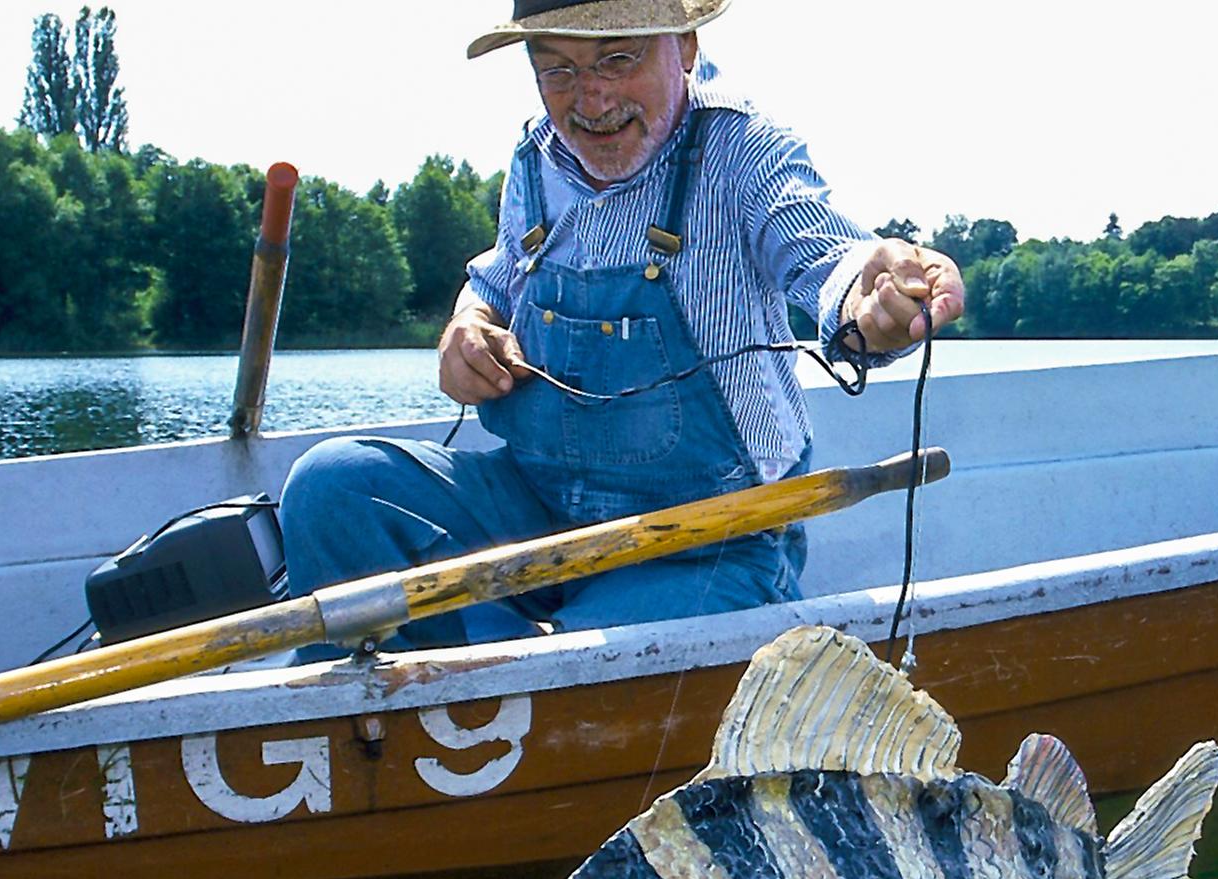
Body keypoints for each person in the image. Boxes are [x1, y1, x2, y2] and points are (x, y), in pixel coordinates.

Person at [279, 0, 963, 653]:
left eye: (617, 59)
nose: (592, 100)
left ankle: (499, 663)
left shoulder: (746, 151)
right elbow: (493, 283)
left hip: (705, 539)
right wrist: (468, 326)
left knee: (575, 656)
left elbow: (827, 260)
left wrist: (871, 305)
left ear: (686, 46)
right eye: (559, 69)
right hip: (534, 508)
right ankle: (485, 672)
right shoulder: (535, 157)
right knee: (333, 485)